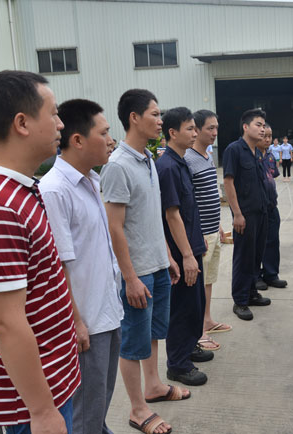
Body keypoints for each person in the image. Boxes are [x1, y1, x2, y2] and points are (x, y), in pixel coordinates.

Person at [0, 70, 80, 433]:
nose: (60, 123)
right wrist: (41, 410)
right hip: (29, 407)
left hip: (52, 385)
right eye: (53, 113)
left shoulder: (16, 192)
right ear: (22, 123)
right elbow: (6, 321)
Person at [41, 99, 124, 434]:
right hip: (85, 323)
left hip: (108, 312)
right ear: (77, 140)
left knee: (97, 405)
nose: (109, 140)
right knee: (85, 414)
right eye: (103, 133)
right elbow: (58, 265)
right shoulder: (55, 190)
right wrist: (75, 322)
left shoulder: (92, 180)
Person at [101, 89, 180, 434]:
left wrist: (167, 255)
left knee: (152, 333)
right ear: (134, 118)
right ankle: (137, 408)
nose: (161, 121)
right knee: (133, 341)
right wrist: (130, 278)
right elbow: (114, 228)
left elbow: (151, 216)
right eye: (155, 114)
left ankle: (154, 385)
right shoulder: (117, 165)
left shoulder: (148, 158)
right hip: (136, 273)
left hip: (157, 264)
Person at [157, 107, 210, 387]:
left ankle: (189, 347)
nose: (195, 133)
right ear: (172, 133)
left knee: (194, 304)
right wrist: (187, 256)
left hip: (192, 245)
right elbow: (171, 214)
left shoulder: (180, 162)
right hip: (181, 251)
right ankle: (177, 364)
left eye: (195, 128)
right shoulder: (166, 167)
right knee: (182, 306)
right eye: (189, 129)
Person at [185, 109, 232, 352]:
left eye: (216, 128)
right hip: (200, 234)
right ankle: (199, 333)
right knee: (199, 283)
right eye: (209, 128)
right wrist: (198, 231)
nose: (214, 133)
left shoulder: (207, 156)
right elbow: (190, 202)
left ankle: (207, 320)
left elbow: (210, 196)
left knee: (209, 279)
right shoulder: (188, 159)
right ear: (197, 130)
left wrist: (219, 224)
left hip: (213, 229)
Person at [222, 108, 271, 321]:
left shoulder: (256, 152)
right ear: (245, 127)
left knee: (256, 256)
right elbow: (228, 182)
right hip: (246, 215)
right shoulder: (234, 150)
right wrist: (237, 214)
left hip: (261, 213)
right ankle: (240, 301)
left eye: (263, 125)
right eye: (258, 125)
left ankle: (251, 293)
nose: (262, 129)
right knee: (243, 258)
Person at [256, 123, 287, 290]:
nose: (267, 139)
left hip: (271, 205)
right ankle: (255, 276)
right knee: (257, 243)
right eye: (264, 136)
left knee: (273, 241)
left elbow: (273, 177)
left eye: (269, 136)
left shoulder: (270, 156)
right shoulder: (251, 155)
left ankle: (271, 274)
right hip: (257, 208)